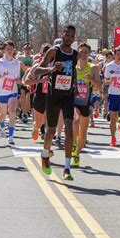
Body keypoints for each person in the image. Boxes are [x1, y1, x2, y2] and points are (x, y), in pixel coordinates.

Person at [34, 24, 78, 181]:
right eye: (67, 35)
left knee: (69, 127)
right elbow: (37, 70)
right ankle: (45, 154)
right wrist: (52, 69)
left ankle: (67, 168)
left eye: (72, 36)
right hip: (53, 95)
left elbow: (73, 72)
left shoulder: (75, 54)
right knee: (51, 130)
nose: (69, 38)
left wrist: (76, 87)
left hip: (68, 95)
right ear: (63, 34)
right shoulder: (54, 51)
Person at [71, 42, 101, 167]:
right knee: (75, 121)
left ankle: (77, 154)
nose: (83, 54)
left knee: (83, 134)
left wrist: (91, 80)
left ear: (89, 54)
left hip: (86, 102)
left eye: (86, 52)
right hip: (74, 101)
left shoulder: (93, 68)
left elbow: (99, 87)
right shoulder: (73, 67)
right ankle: (73, 144)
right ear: (78, 53)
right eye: (81, 52)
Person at [0, 40, 26, 145]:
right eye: (7, 49)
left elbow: (18, 77)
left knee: (12, 111)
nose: (9, 51)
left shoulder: (17, 63)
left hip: (12, 90)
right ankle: (2, 124)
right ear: (4, 50)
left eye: (11, 49)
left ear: (14, 51)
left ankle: (11, 136)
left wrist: (19, 81)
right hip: (2, 91)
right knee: (2, 114)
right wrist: (2, 76)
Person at [23, 44, 51, 141]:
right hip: (39, 96)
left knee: (50, 121)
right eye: (46, 54)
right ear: (42, 54)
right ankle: (36, 128)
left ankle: (48, 141)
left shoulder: (56, 67)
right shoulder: (36, 66)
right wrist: (40, 81)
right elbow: (26, 81)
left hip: (51, 97)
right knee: (39, 122)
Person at [103, 46, 120, 146]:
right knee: (113, 118)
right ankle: (113, 137)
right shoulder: (109, 66)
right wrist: (111, 80)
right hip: (113, 94)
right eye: (118, 54)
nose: (119, 56)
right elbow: (106, 81)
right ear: (114, 55)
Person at [18, 42, 34, 123]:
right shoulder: (20, 58)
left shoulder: (34, 58)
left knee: (28, 98)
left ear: (31, 50)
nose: (27, 50)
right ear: (23, 49)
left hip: (31, 80)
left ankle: (24, 111)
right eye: (26, 48)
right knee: (22, 95)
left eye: (29, 48)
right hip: (22, 80)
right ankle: (24, 114)